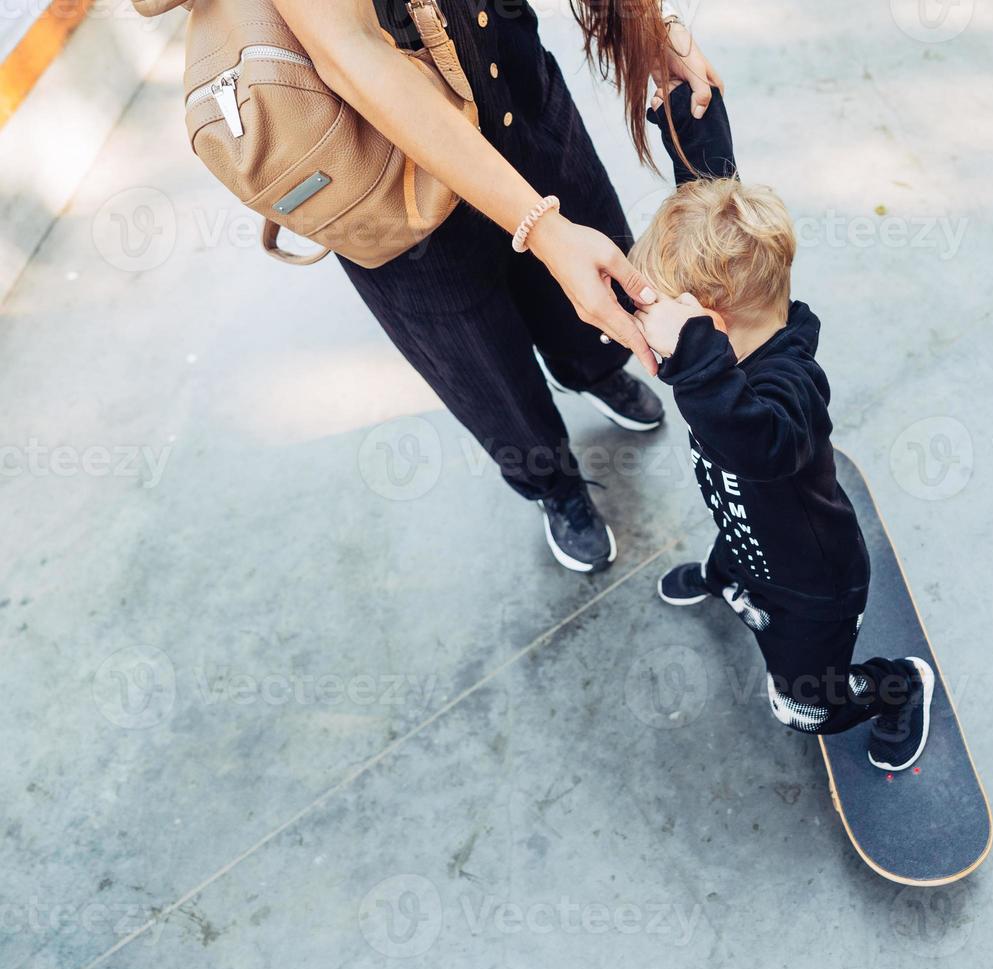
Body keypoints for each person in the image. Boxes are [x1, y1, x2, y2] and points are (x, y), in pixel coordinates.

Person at [273, 0, 724, 572]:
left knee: (592, 295)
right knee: (479, 359)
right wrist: (540, 228)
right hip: (389, 176)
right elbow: (351, 52)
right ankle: (553, 483)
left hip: (513, 82)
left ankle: (591, 371)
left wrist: (650, 26)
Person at [629, 89, 934, 770]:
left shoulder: (790, 388)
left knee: (803, 707)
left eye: (663, 314)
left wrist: (693, 354)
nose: (650, 326)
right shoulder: (735, 323)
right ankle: (726, 574)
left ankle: (900, 686)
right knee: (737, 543)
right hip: (750, 533)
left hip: (810, 584)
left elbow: (756, 442)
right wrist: (687, 116)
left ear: (712, 320)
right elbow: (714, 203)